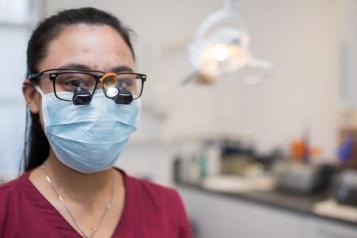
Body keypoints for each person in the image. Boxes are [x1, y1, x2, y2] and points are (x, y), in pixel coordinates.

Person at [0, 7, 193, 238]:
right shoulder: (6, 212)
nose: (101, 102)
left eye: (121, 84)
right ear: (32, 96)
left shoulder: (166, 207)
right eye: (74, 82)